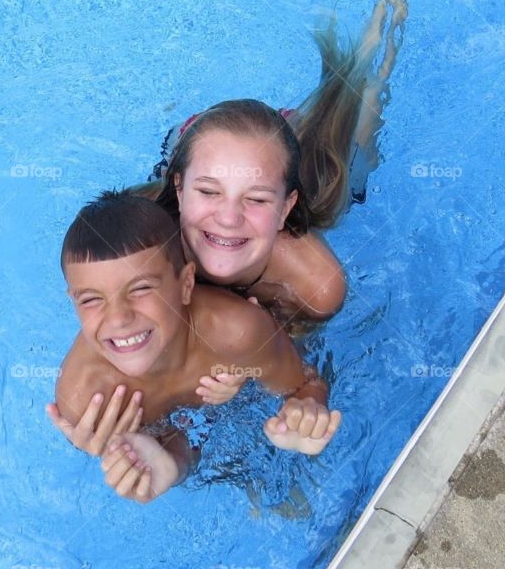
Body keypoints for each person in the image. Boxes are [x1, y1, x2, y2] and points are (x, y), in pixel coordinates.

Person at [129, 0, 418, 324]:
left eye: (256, 200)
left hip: (310, 171)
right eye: (207, 193)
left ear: (285, 208)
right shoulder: (139, 231)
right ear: (179, 189)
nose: (228, 218)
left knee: (359, 124)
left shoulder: (315, 286)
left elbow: (296, 373)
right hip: (204, 141)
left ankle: (382, 33)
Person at [47, 191, 342, 504]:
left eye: (141, 289)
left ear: (186, 284)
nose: (119, 319)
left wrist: (307, 411)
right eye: (91, 299)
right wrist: (172, 464)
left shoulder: (236, 331)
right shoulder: (88, 399)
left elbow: (304, 382)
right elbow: (175, 449)